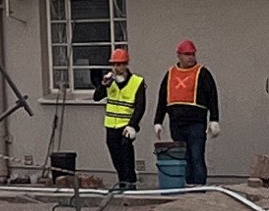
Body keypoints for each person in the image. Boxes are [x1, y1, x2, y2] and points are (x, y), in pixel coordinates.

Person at [154, 39, 219, 187]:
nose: (191, 58)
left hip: (195, 124)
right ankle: (188, 186)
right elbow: (163, 98)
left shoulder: (202, 73)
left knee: (196, 157)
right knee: (184, 158)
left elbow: (212, 96)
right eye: (187, 54)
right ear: (179, 56)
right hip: (176, 123)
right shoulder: (170, 74)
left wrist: (214, 119)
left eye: (193, 54)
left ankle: (199, 188)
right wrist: (158, 121)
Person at [92, 48, 146, 190]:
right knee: (115, 155)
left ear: (126, 64)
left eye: (120, 64)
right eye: (114, 65)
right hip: (111, 125)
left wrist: (133, 125)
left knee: (126, 151)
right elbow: (96, 97)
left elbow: (140, 106)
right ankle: (122, 181)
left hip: (126, 125)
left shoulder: (136, 81)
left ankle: (130, 181)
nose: (117, 68)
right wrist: (103, 85)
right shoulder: (109, 80)